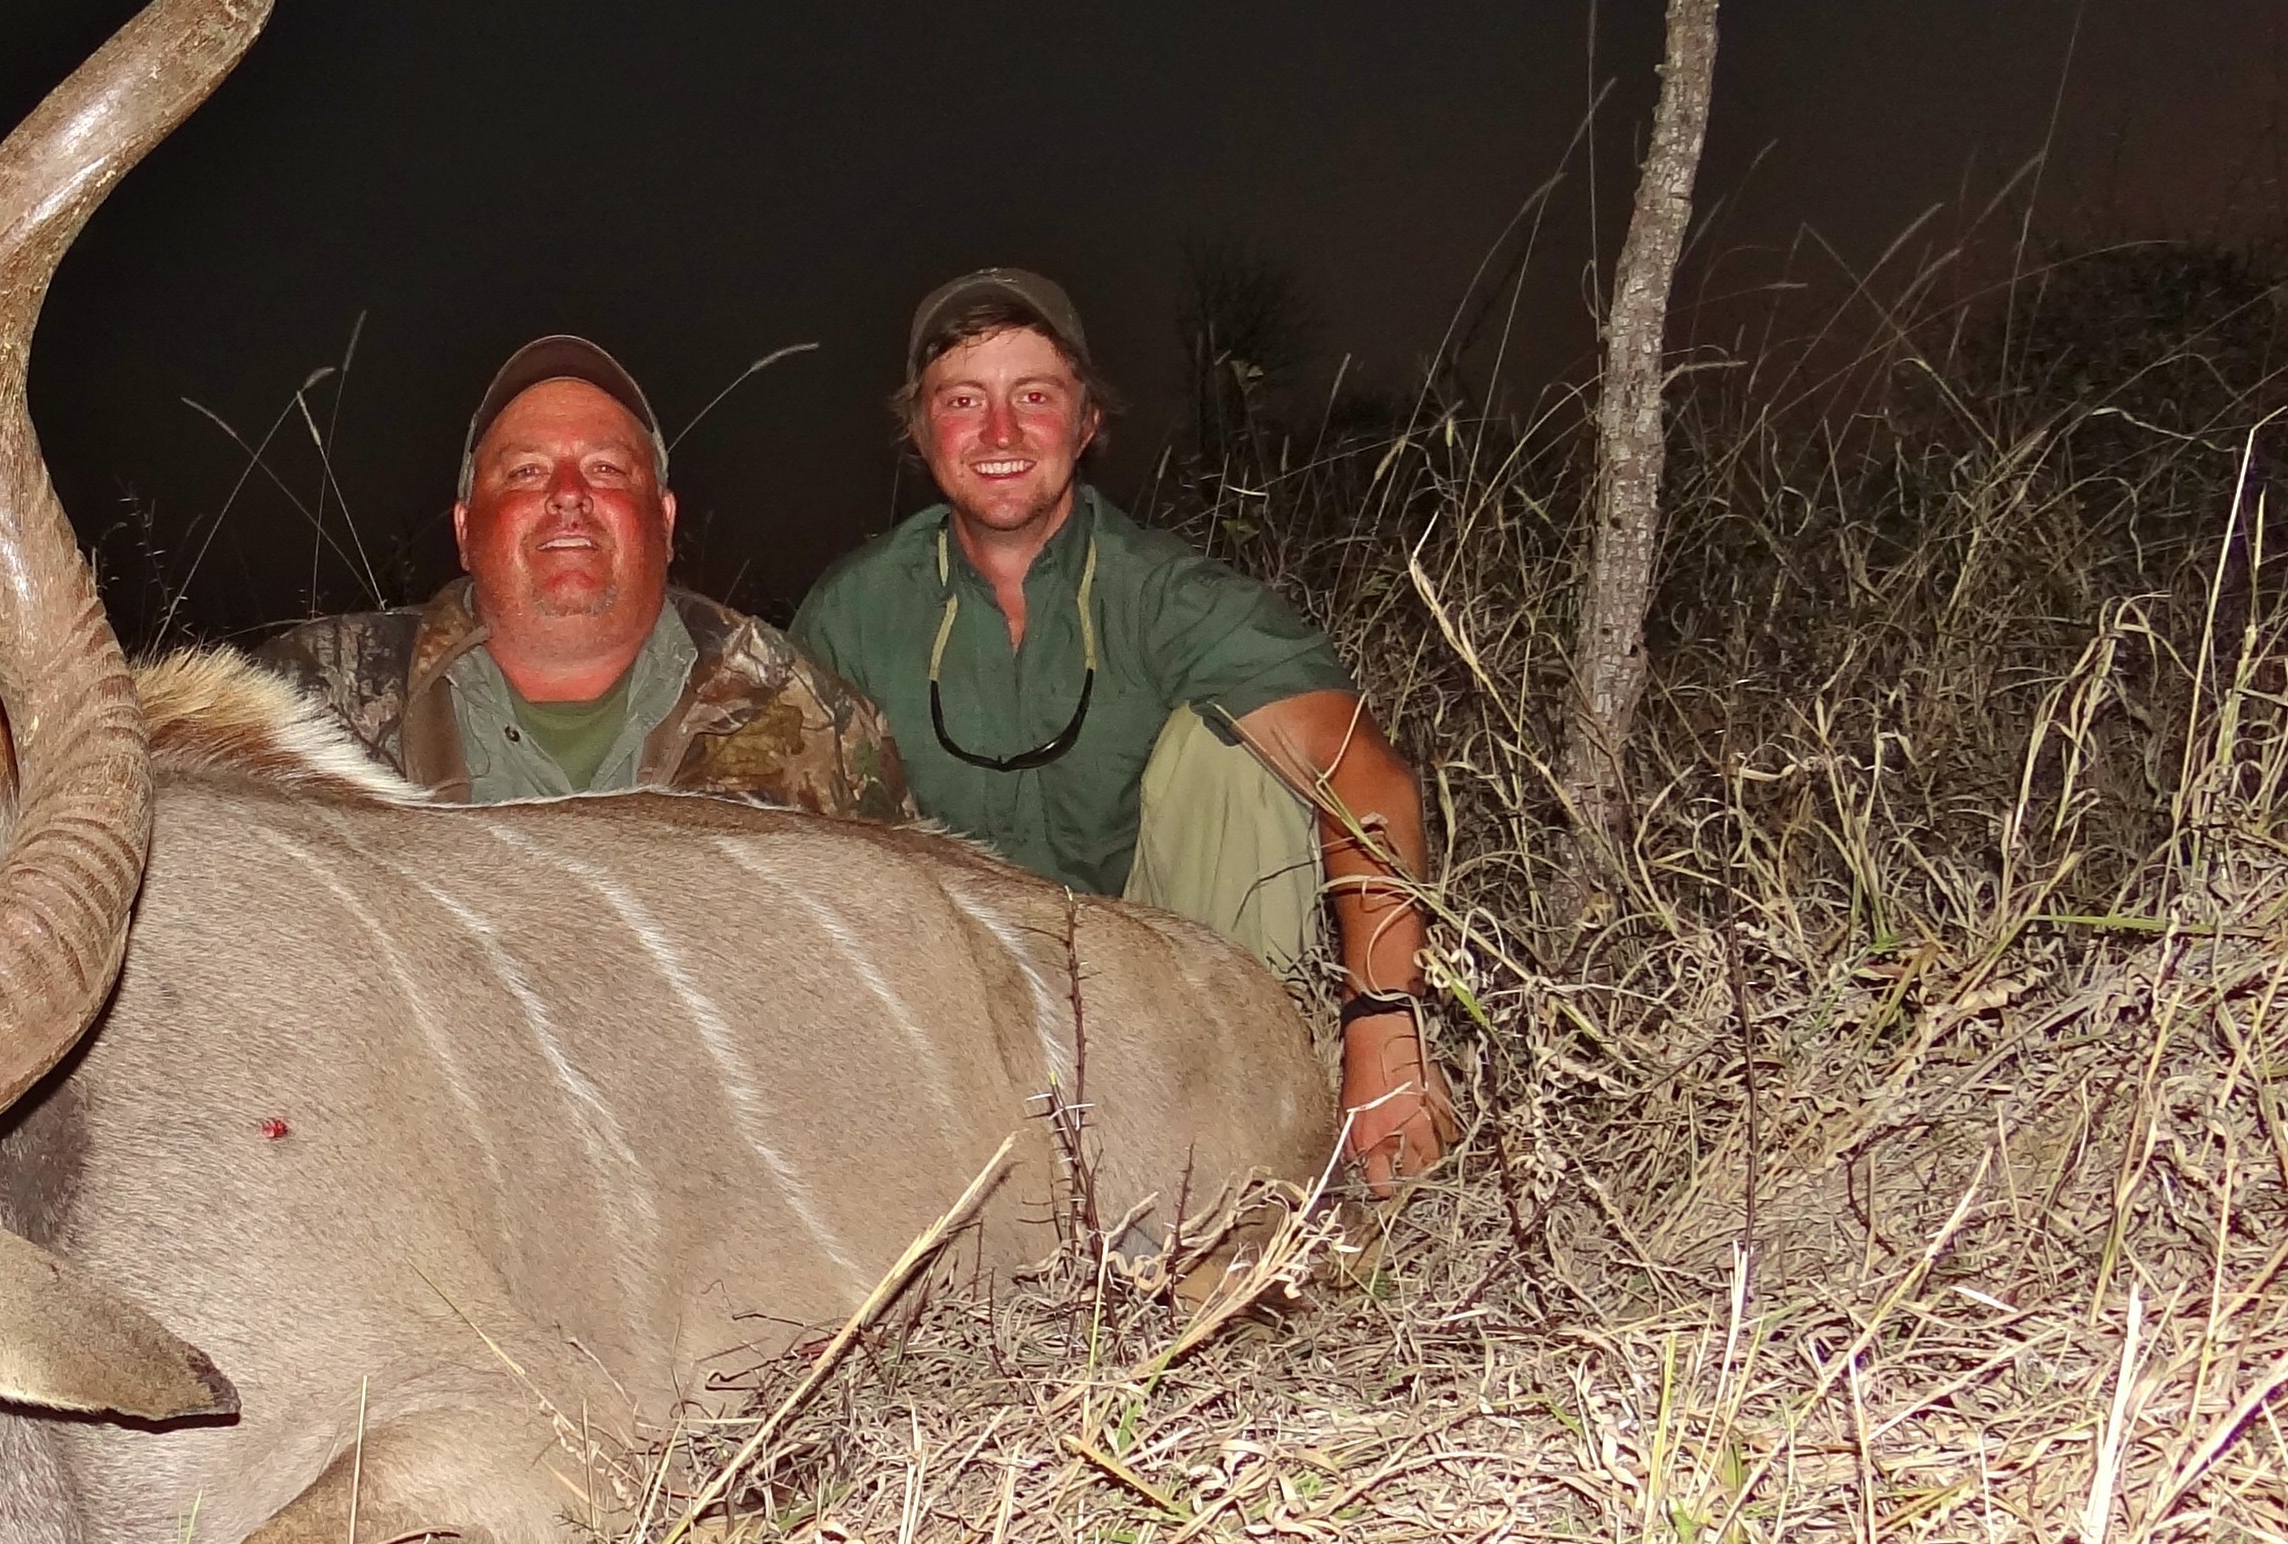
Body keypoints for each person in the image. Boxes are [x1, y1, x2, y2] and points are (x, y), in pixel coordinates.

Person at [789, 269, 1457, 1187]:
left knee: (1229, 758)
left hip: (1168, 986)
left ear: (1085, 421)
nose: (998, 433)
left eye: (1034, 396)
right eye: (961, 401)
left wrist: (1384, 1019)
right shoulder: (850, 614)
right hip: (954, 1012)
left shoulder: (1169, 595)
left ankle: (1259, 1130)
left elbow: (1368, 779)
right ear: (919, 430)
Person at [259, 335, 911, 819]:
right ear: (464, 530)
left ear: (663, 519)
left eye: (605, 469)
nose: (568, 495)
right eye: (523, 473)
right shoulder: (309, 698)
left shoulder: (810, 713)